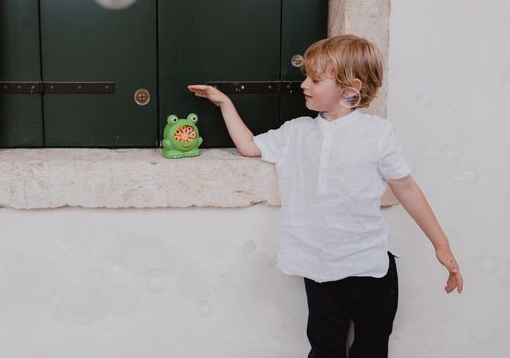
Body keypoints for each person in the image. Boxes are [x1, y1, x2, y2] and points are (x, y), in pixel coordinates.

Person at [188, 34, 463, 358]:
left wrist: (440, 244)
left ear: (350, 90)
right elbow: (250, 146)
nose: (304, 84)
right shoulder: (296, 132)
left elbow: (406, 188)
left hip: (369, 269)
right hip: (320, 271)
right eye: (307, 75)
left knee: (372, 348)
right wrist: (225, 104)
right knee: (324, 348)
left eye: (315, 79)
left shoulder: (378, 134)